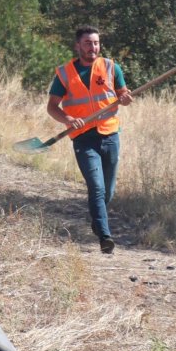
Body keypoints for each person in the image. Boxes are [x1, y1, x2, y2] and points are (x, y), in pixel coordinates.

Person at [46, 25, 133, 254]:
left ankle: (97, 220)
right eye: (87, 43)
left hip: (110, 135)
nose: (92, 47)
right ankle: (105, 236)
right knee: (96, 187)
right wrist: (68, 118)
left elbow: (123, 94)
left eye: (95, 43)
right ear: (77, 46)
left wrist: (125, 99)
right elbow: (52, 107)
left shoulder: (111, 67)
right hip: (84, 139)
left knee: (108, 192)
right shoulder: (64, 73)